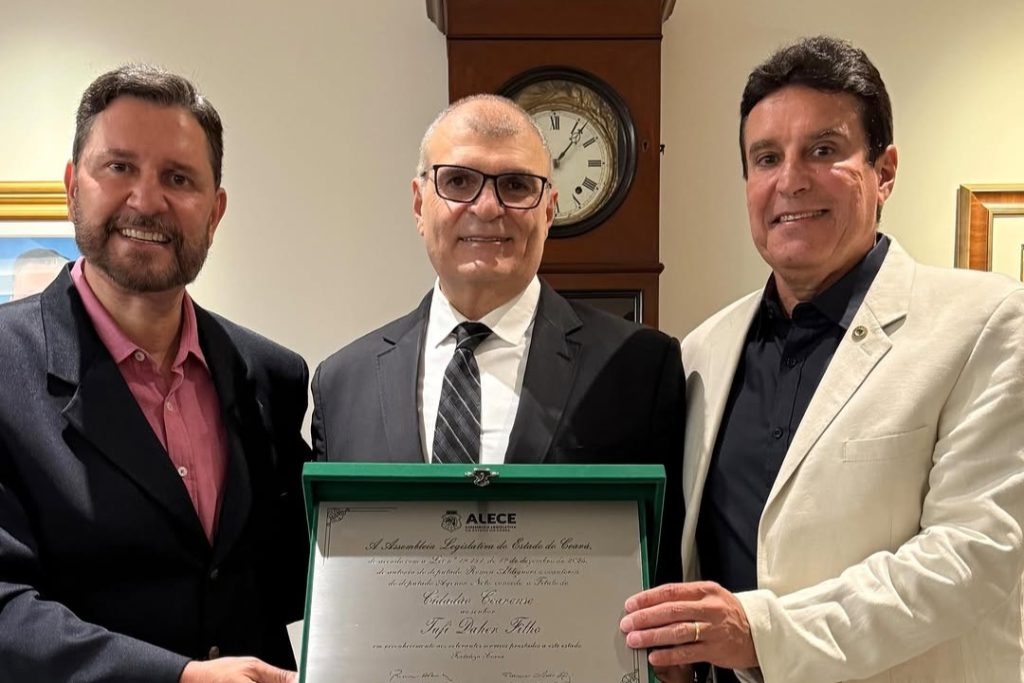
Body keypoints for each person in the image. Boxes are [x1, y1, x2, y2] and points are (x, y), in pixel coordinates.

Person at [620, 36, 1024, 683]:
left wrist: (762, 634)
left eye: (824, 150)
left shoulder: (987, 322)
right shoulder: (701, 351)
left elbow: (972, 555)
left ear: (884, 171)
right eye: (766, 158)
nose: (790, 180)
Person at [0, 65, 311, 683]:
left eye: (178, 178)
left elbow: (291, 572)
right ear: (72, 186)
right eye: (119, 167)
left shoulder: (270, 375)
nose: (146, 201)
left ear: (215, 211)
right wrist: (179, 677)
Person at [311, 94, 685, 585]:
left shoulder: (640, 370)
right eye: (458, 182)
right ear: (419, 204)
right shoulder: (342, 384)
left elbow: (665, 569)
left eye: (515, 185)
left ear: (548, 211)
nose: (487, 207)